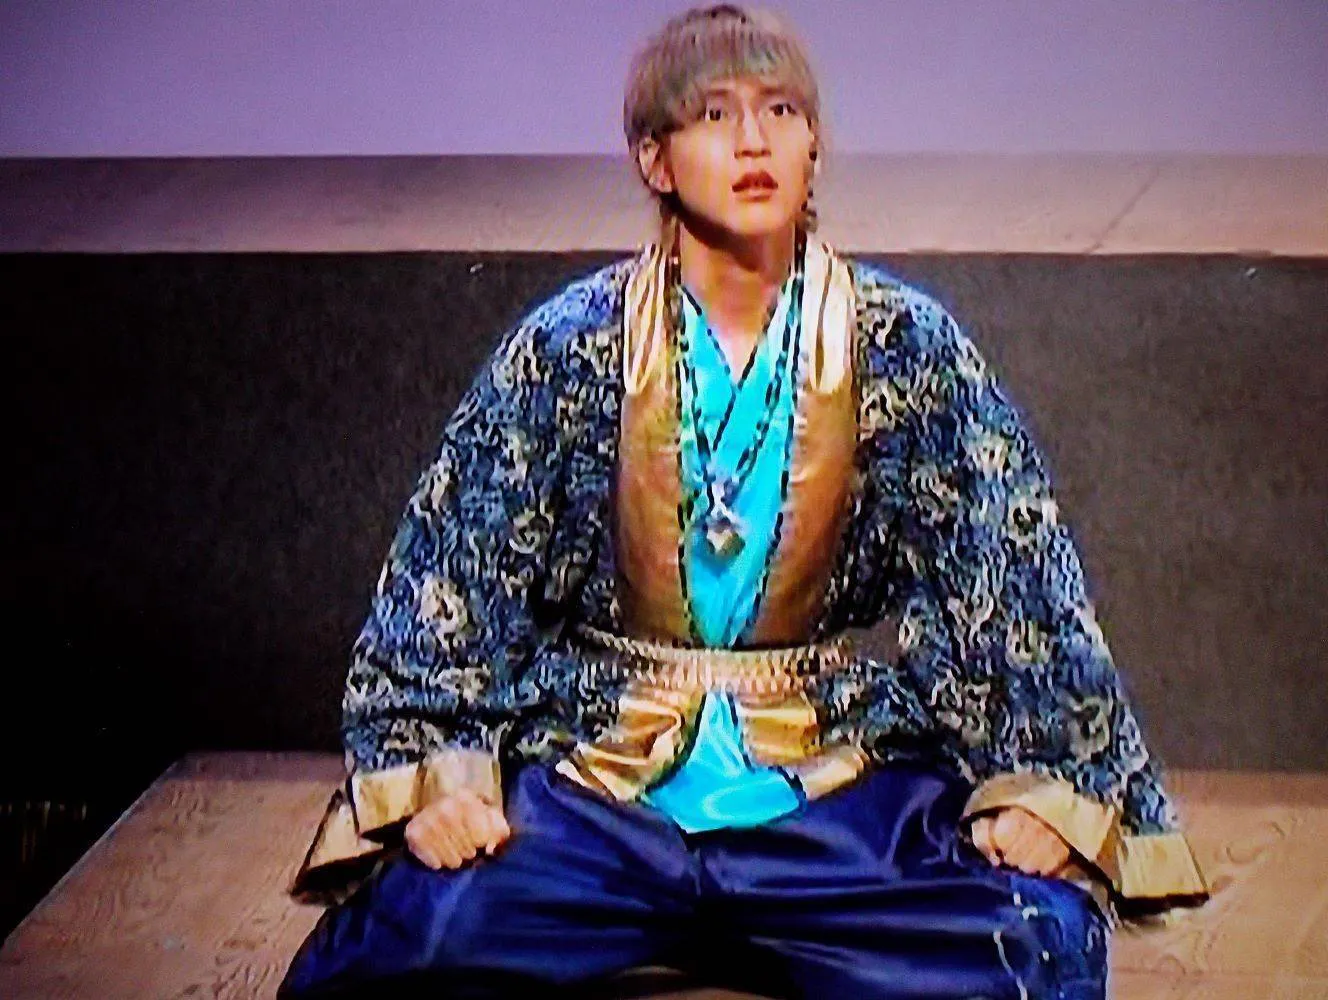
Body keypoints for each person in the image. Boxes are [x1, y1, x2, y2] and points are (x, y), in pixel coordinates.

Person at [279, 5, 1209, 997]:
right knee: (411, 939)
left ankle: (766, 917)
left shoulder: (903, 345)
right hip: (602, 788)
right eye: (714, 115)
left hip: (826, 784)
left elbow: (1012, 571)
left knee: (1028, 943)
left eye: (781, 111)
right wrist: (439, 773)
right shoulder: (568, 346)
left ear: (815, 147)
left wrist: (1045, 788)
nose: (754, 141)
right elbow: (452, 572)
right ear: (654, 158)